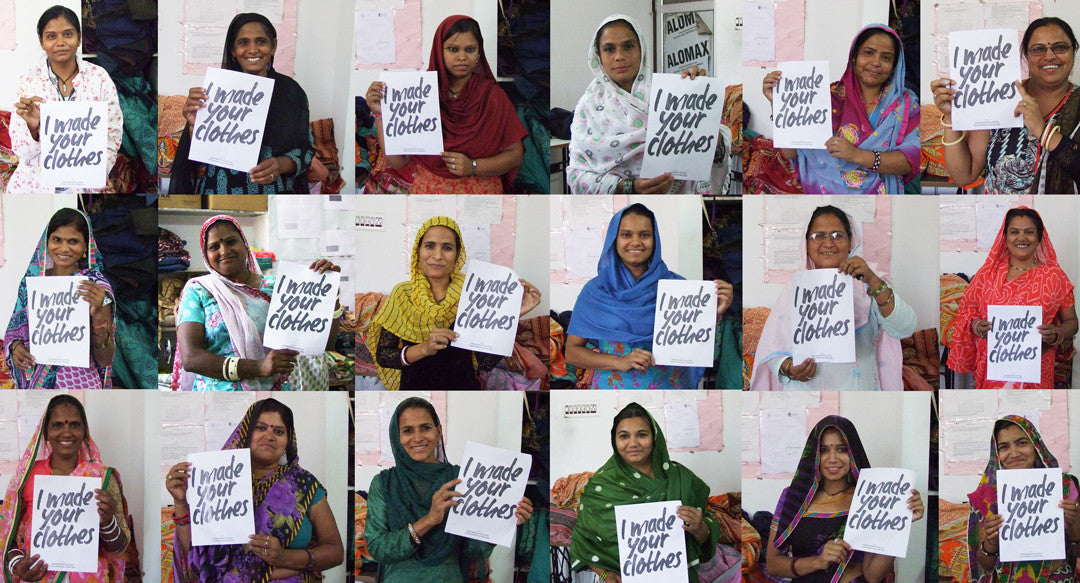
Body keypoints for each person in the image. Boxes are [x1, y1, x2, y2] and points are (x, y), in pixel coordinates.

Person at [167, 398, 344, 581]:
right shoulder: (216, 479)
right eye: (260, 427)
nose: (269, 436)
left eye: (279, 431)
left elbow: (335, 552)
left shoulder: (304, 485)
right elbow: (197, 555)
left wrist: (285, 557)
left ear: (288, 440)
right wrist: (180, 503)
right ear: (245, 432)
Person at [565, 204, 733, 389]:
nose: (636, 242)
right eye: (626, 235)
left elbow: (696, 348)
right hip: (612, 391)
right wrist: (619, 361)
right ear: (614, 239)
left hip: (667, 389)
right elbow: (572, 352)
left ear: (655, 240)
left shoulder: (679, 288)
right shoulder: (596, 291)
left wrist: (712, 315)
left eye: (644, 235)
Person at [749, 205, 916, 390]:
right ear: (806, 244)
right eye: (818, 236)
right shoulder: (793, 291)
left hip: (858, 390)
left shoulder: (869, 283)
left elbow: (904, 328)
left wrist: (873, 280)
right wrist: (788, 367)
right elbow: (772, 351)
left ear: (850, 241)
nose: (828, 243)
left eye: (837, 236)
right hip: (804, 392)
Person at [366, 397, 532, 582]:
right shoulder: (384, 483)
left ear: (438, 431)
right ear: (397, 437)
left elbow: (473, 549)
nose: (418, 437)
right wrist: (429, 520)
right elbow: (377, 548)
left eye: (426, 428)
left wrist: (502, 521)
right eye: (407, 431)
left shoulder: (460, 478)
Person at [365, 216, 541, 389]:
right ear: (418, 251)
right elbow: (384, 356)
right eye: (429, 246)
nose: (438, 255)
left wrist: (508, 316)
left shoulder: (475, 291)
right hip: (415, 386)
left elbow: (486, 362)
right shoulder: (403, 294)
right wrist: (424, 348)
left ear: (457, 255)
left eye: (447, 248)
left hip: (463, 387)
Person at [171, 215, 343, 390]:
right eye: (214, 247)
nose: (224, 251)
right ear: (206, 255)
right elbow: (191, 358)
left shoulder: (281, 286)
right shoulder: (198, 290)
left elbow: (323, 345)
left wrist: (331, 296)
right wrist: (258, 367)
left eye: (231, 242)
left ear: (246, 246)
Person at [567, 14, 733, 194]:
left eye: (628, 46)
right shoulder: (589, 106)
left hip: (676, 205)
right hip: (616, 208)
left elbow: (709, 156)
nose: (619, 56)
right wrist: (628, 186)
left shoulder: (673, 94)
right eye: (609, 49)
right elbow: (576, 175)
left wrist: (700, 108)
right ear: (598, 55)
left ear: (642, 49)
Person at [364, 15, 528, 194]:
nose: (462, 57)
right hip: (430, 193)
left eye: (470, 49)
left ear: (479, 52)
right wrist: (381, 113)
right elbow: (398, 161)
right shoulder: (417, 94)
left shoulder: (492, 96)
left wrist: (473, 166)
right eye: (453, 49)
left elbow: (515, 155)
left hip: (481, 195)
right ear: (438, 50)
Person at [762, 24, 919, 194]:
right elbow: (790, 153)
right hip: (823, 192)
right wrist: (779, 105)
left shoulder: (905, 104)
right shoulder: (821, 97)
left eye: (886, 58)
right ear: (854, 57)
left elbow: (910, 160)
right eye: (868, 53)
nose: (876, 63)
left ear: (895, 65)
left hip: (879, 199)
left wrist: (857, 155)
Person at [570, 403, 719, 581]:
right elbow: (583, 540)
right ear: (614, 440)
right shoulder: (600, 486)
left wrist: (701, 529)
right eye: (624, 436)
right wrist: (605, 574)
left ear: (655, 437)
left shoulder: (681, 478)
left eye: (642, 435)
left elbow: (706, 528)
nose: (633, 443)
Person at [767, 416, 924, 583]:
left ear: (853, 452)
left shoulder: (871, 498)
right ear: (814, 453)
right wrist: (818, 562)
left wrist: (899, 522)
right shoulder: (794, 497)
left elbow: (873, 576)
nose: (832, 458)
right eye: (824, 450)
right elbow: (773, 564)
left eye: (841, 449)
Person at [169, 13, 314, 194]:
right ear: (232, 50)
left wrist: (280, 164)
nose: (252, 50)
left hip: (271, 193)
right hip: (218, 191)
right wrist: (195, 127)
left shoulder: (291, 92)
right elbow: (198, 160)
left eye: (261, 41)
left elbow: (306, 150)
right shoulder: (215, 93)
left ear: (273, 46)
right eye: (243, 43)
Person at [932, 17, 1080, 193]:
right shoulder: (998, 96)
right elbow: (964, 176)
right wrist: (951, 117)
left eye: (1060, 47)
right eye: (1038, 49)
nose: (1049, 56)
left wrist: (1043, 131)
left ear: (1074, 51)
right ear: (1025, 55)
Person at [0, 394, 134, 582]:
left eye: (75, 425)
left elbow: (119, 548)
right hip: (38, 577)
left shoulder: (102, 477)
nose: (67, 432)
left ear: (84, 431)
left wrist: (108, 521)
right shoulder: (28, 477)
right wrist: (17, 563)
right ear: (45, 432)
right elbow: (8, 535)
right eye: (57, 425)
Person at [947, 207, 1077, 389]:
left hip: (1037, 367)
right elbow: (966, 312)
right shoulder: (987, 275)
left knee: (1032, 412)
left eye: (1029, 232)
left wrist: (1058, 333)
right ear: (1005, 237)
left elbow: (1071, 321)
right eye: (1014, 232)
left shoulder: (1055, 276)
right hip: (994, 367)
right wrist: (975, 325)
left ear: (1039, 238)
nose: (1021, 238)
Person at [8, 5, 123, 194]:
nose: (60, 42)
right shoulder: (29, 81)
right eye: (51, 36)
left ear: (79, 38)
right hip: (35, 182)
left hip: (86, 177)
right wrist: (34, 128)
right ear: (41, 41)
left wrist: (99, 173)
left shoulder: (99, 78)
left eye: (68, 34)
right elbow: (22, 151)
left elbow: (112, 133)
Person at [5, 208, 115, 389]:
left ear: (85, 246)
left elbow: (105, 359)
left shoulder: (95, 286)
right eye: (57, 239)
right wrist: (16, 347)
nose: (64, 248)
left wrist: (97, 318)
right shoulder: (32, 283)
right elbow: (15, 332)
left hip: (80, 383)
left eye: (73, 241)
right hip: (36, 384)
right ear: (46, 242)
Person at [967, 415, 1079, 582]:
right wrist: (992, 540)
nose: (1013, 453)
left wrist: (1074, 523)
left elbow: (1077, 553)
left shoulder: (1063, 486)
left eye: (1022, 443)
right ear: (996, 453)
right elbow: (986, 565)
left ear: (1036, 445)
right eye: (1004, 447)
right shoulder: (988, 495)